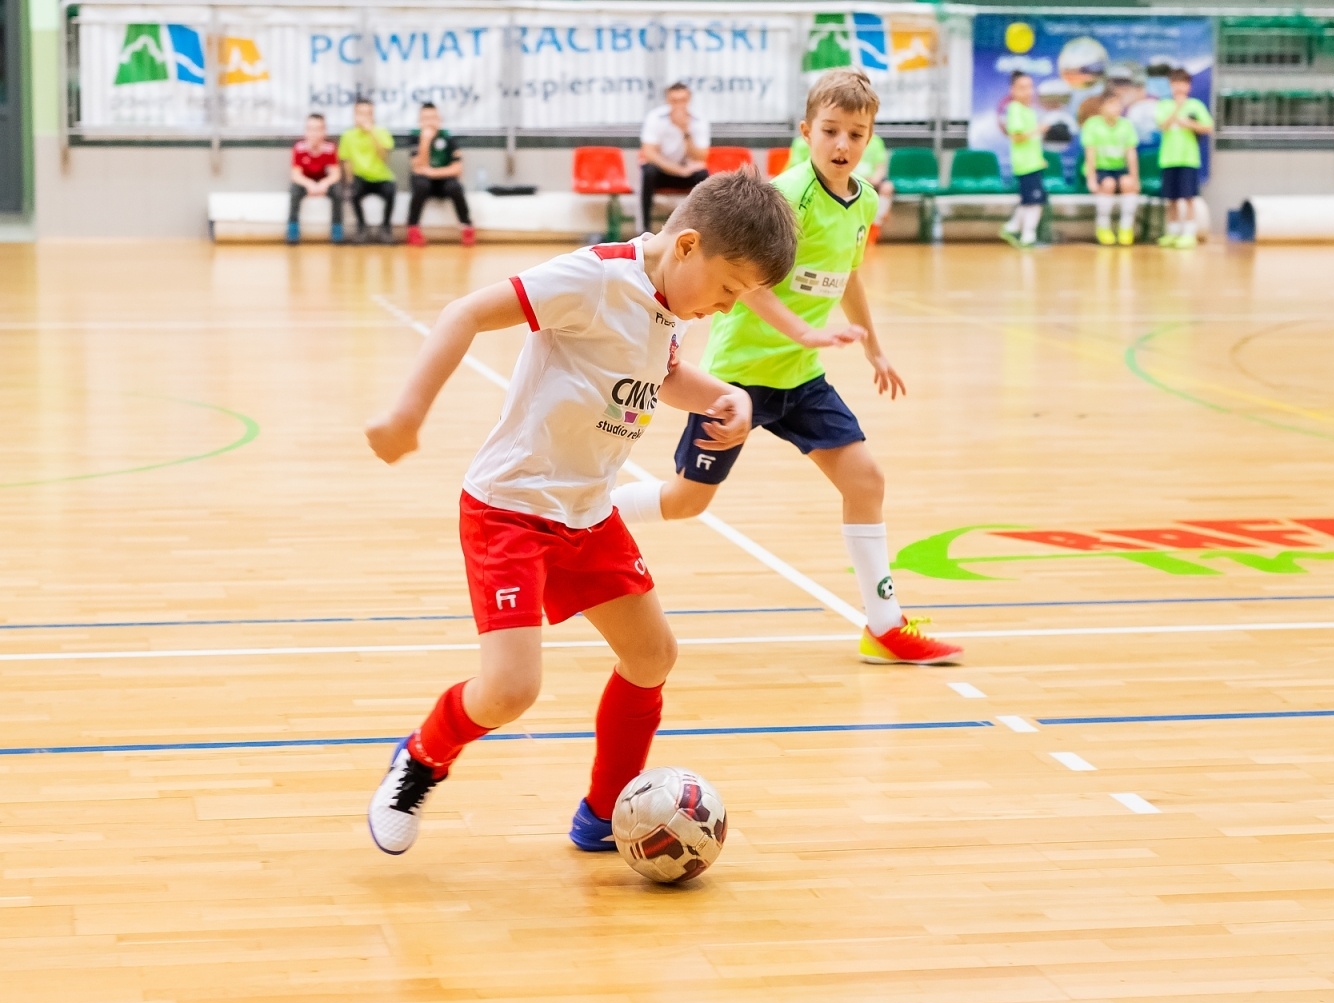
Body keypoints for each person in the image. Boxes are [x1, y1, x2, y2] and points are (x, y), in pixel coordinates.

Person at [362, 170, 799, 857]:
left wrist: (725, 395)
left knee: (652, 655)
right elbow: (463, 314)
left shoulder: (668, 300)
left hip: (587, 513)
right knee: (510, 690)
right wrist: (406, 415)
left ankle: (604, 812)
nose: (723, 309)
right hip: (511, 509)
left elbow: (662, 374)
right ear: (687, 245)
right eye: (727, 290)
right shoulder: (594, 278)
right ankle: (421, 758)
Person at [610, 70, 963, 668]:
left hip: (799, 377)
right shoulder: (787, 195)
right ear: (806, 131)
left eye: (856, 134)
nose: (842, 144)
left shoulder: (864, 200)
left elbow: (847, 276)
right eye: (831, 131)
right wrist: (805, 331)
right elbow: (747, 283)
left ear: (871, 137)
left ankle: (884, 626)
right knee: (687, 501)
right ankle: (585, 517)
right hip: (737, 378)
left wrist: (875, 349)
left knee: (865, 481)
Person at [788, 128, 893, 243]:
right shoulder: (802, 144)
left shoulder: (876, 141)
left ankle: (875, 224)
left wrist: (872, 180)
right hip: (840, 179)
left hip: (867, 181)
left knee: (887, 187)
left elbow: (880, 168)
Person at [638, 83, 710, 234]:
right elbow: (650, 153)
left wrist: (685, 131)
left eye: (682, 100)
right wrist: (678, 170)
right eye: (674, 100)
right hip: (662, 172)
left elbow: (701, 156)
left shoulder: (699, 120)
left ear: (689, 99)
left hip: (686, 171)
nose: (679, 105)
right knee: (648, 172)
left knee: (703, 175)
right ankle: (645, 227)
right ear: (667, 100)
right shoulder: (655, 118)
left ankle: (701, 228)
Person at [1154, 69, 1214, 249]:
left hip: (1188, 159)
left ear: (1189, 86)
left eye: (1183, 83)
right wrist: (1177, 109)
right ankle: (1172, 233)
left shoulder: (1195, 105)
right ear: (1170, 85)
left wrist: (1190, 124)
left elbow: (1208, 127)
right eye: (1176, 83)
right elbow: (1162, 125)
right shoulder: (1164, 105)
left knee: (1188, 197)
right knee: (1171, 199)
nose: (1179, 87)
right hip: (1168, 159)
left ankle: (1188, 234)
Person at [405, 103, 475, 248]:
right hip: (424, 182)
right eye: (425, 118)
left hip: (443, 180)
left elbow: (457, 169)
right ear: (420, 121)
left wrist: (432, 172)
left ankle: (467, 226)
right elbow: (417, 167)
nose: (430, 122)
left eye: (433, 118)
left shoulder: (448, 137)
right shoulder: (415, 137)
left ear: (439, 119)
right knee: (420, 184)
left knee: (455, 187)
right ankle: (413, 228)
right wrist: (425, 141)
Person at [1080, 92, 1140, 246]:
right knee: (1108, 184)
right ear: (1102, 107)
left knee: (1128, 183)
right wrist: (1091, 179)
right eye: (1112, 104)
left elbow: (1131, 154)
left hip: (1119, 168)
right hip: (1100, 169)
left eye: (1119, 104)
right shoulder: (1092, 124)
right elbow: (1090, 153)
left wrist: (1135, 178)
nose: (1116, 108)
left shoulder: (1126, 125)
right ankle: (1103, 227)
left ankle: (1126, 228)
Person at [999, 72, 1047, 250]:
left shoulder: (1029, 110)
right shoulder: (1015, 109)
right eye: (1022, 87)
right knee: (1034, 201)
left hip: (1034, 163)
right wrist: (1038, 130)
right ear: (1013, 90)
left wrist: (1040, 159)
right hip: (1025, 165)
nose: (1028, 91)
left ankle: (1012, 228)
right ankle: (1028, 236)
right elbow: (1016, 137)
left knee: (1030, 199)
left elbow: (1032, 142)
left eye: (1030, 87)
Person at [338, 99, 396, 245]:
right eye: (360, 113)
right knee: (353, 192)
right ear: (355, 115)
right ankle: (362, 227)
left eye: (368, 114)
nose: (364, 117)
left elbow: (384, 157)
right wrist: (350, 182)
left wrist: (372, 134)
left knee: (390, 190)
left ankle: (385, 228)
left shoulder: (381, 133)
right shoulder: (348, 136)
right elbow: (346, 162)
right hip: (360, 177)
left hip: (381, 177)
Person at [287, 113, 342, 245]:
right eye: (311, 129)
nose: (314, 133)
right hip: (306, 182)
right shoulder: (299, 148)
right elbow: (295, 175)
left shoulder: (330, 148)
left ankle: (337, 231)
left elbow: (335, 174)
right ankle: (292, 230)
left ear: (324, 131)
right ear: (306, 131)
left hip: (324, 182)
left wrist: (324, 183)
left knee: (338, 191)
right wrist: (309, 184)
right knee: (294, 190)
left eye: (318, 129)